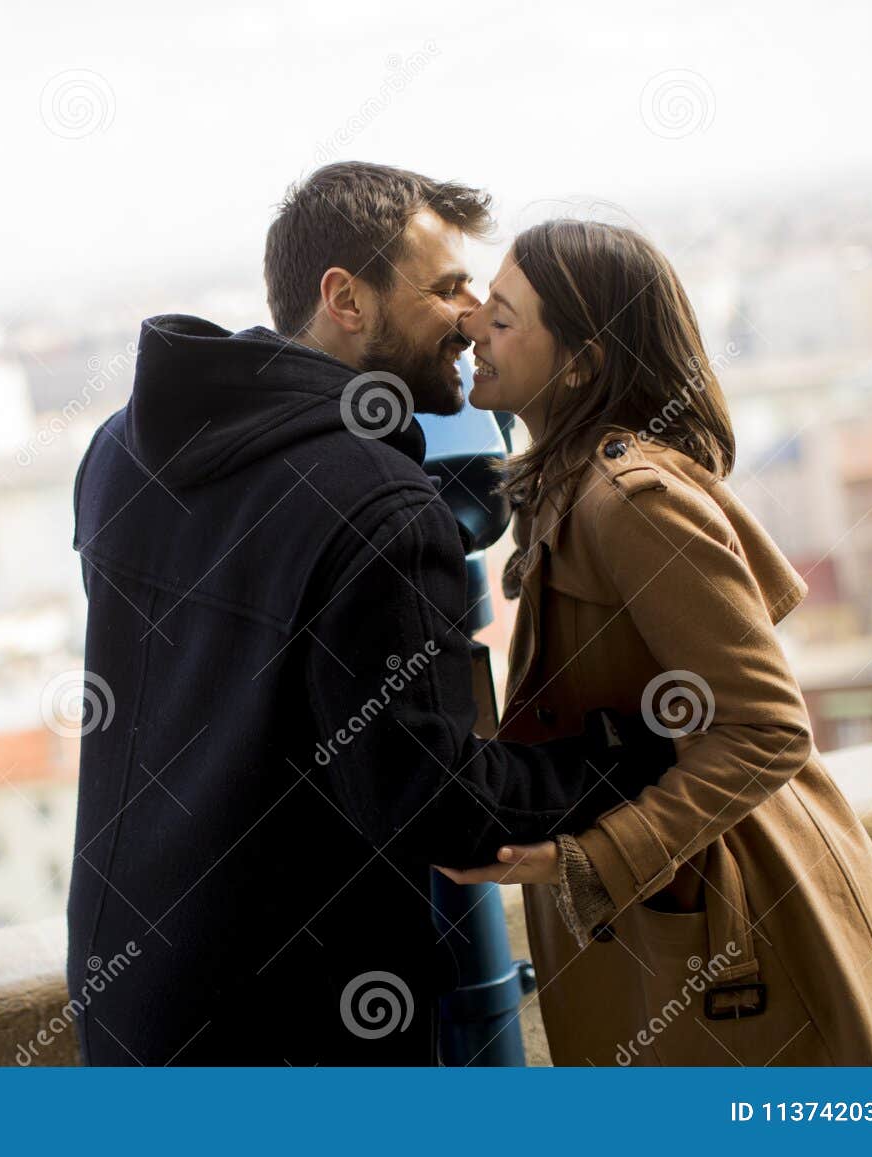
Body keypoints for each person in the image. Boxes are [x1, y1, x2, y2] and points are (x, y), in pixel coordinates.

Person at [66, 165, 672, 1065]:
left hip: (129, 996)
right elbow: (432, 804)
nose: (472, 316)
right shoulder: (380, 505)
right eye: (445, 288)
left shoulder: (121, 448)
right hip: (296, 1030)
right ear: (345, 297)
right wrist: (624, 758)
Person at [444, 218, 872, 1066]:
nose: (472, 328)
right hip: (682, 910)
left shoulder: (628, 501)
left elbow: (768, 729)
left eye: (502, 319)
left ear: (581, 362)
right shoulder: (571, 487)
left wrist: (590, 858)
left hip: (744, 921)